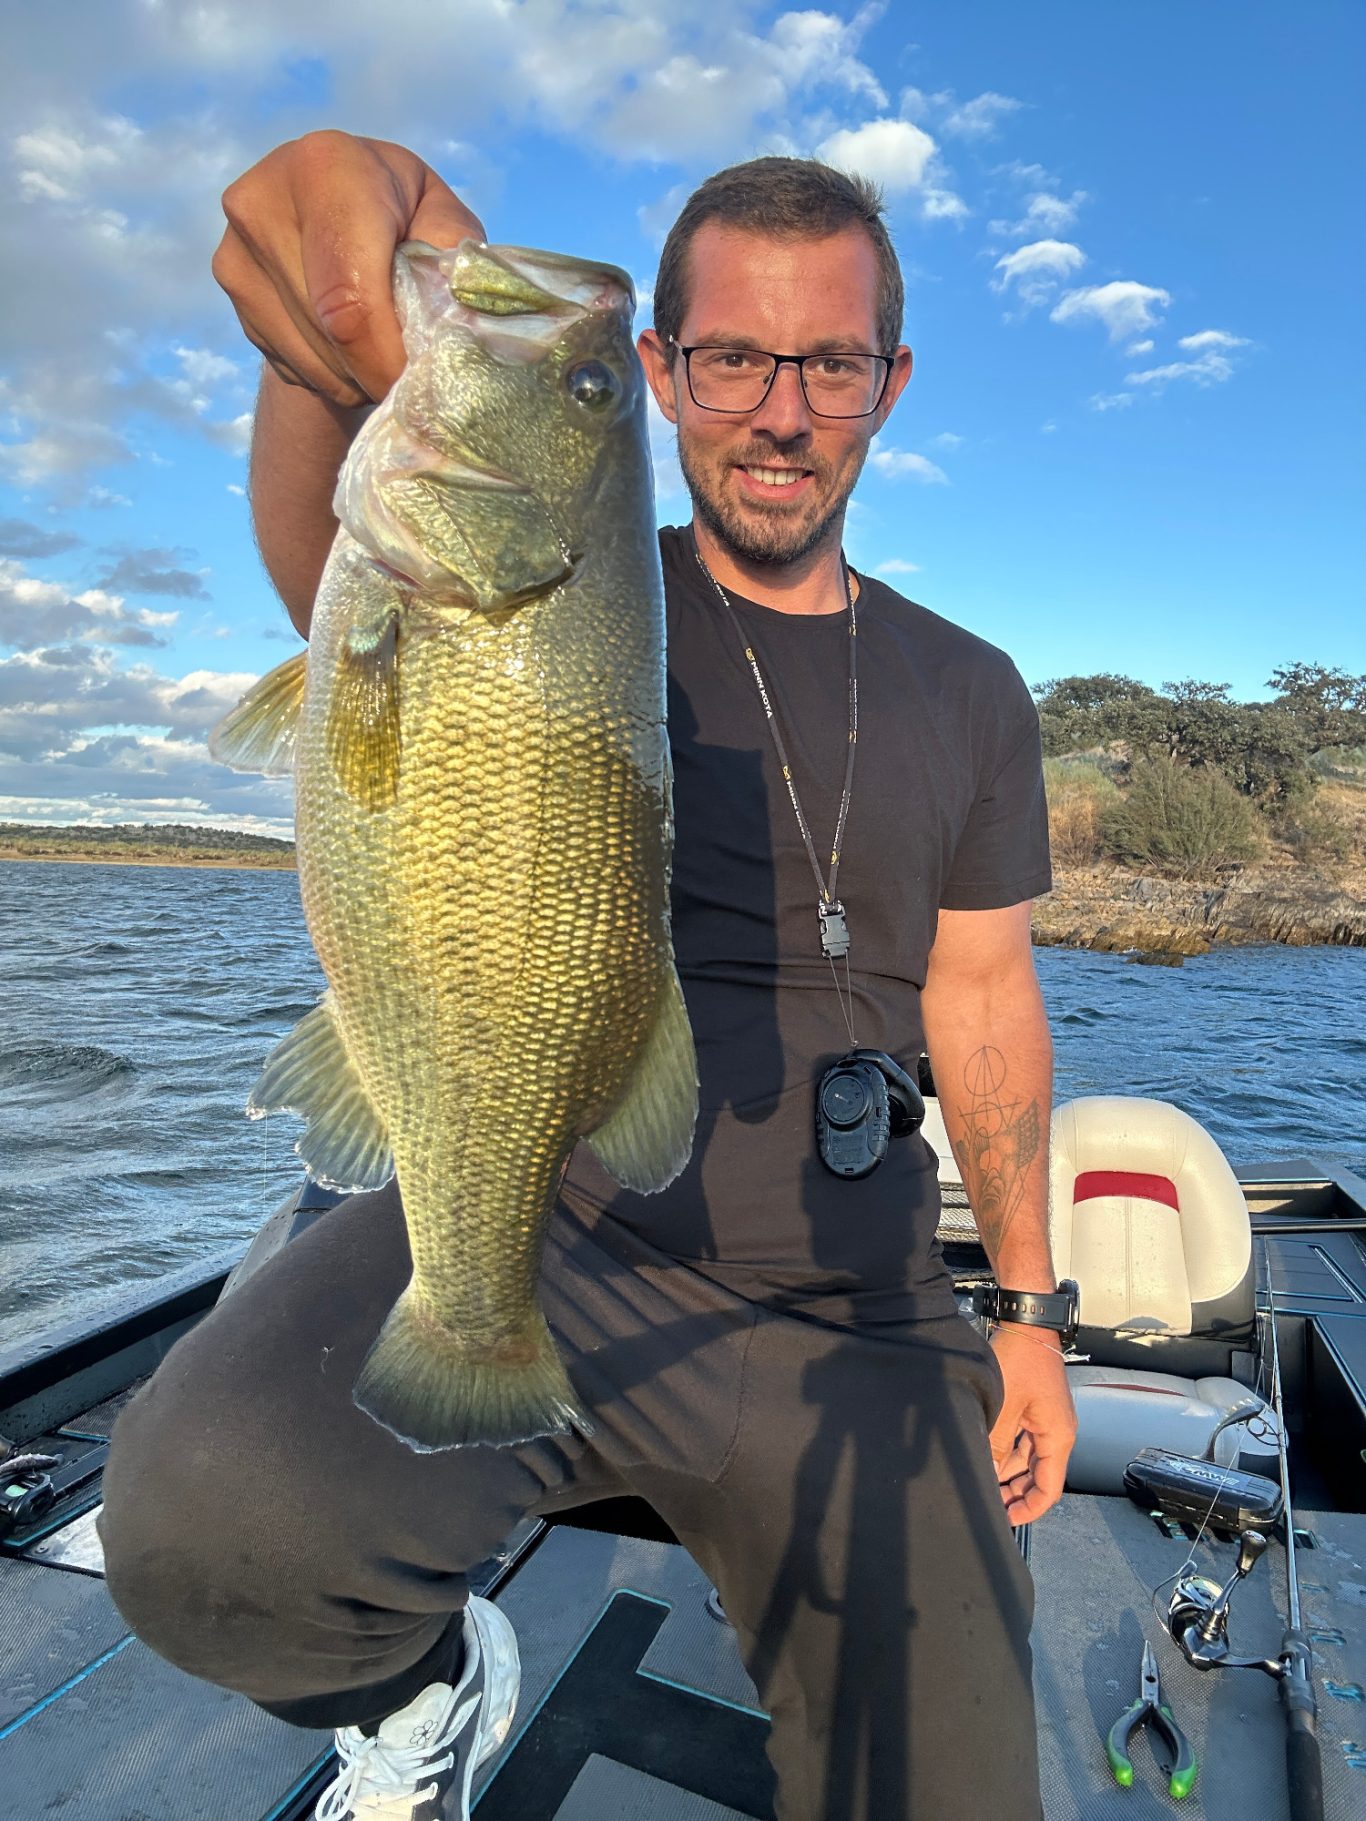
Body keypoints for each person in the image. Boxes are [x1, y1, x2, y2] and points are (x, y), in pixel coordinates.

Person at [98, 130, 1076, 1821]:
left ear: (888, 383)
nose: (781, 408)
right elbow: (328, 549)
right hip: (563, 1231)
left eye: (829, 363)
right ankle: (428, 1685)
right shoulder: (569, 576)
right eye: (731, 359)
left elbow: (983, 1008)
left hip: (861, 1304)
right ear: (658, 369)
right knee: (198, 1530)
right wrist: (310, 342)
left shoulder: (975, 690)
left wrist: (1034, 1314)